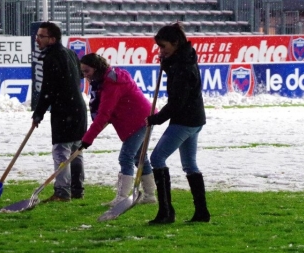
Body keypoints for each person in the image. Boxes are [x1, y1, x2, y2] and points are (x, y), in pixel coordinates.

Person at [146, 23, 210, 224]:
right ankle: (201, 213)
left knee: (157, 158)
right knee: (190, 164)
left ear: (175, 43)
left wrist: (156, 119)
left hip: (185, 120)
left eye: (163, 46)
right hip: (195, 118)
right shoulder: (184, 57)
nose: (161, 50)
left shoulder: (183, 66)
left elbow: (177, 102)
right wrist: (167, 65)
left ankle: (166, 212)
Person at [79, 53, 156, 207]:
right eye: (83, 72)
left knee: (126, 156)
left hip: (141, 120)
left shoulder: (111, 84)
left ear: (96, 68)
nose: (85, 75)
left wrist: (87, 139)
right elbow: (105, 113)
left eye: (87, 71)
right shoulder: (107, 80)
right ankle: (149, 195)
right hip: (138, 118)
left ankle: (122, 197)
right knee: (140, 158)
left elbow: (103, 114)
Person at [32, 22, 87, 201]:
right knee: (76, 150)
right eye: (37, 35)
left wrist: (38, 112)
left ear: (52, 39)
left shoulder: (52, 57)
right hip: (78, 107)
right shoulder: (70, 53)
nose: (37, 39)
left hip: (64, 110)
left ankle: (62, 191)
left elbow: (48, 89)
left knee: (61, 151)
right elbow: (78, 76)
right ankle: (77, 189)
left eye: (41, 36)